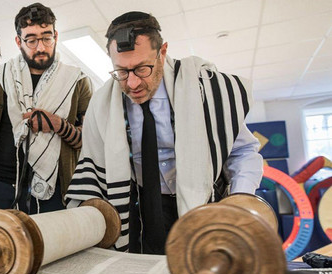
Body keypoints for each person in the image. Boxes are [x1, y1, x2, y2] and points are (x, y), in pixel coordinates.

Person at [65, 11, 263, 255]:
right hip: (140, 213)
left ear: (162, 52)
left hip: (206, 203)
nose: (133, 83)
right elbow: (92, 167)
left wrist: (241, 198)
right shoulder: (102, 105)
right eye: (122, 72)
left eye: (142, 69)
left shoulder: (205, 90)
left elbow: (243, 151)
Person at [0, 3, 92, 214]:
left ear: (55, 36)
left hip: (54, 188)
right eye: (31, 39)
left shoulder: (77, 81)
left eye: (47, 38)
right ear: (19, 41)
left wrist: (60, 125)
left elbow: (89, 141)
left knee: (52, 246)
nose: (40, 47)